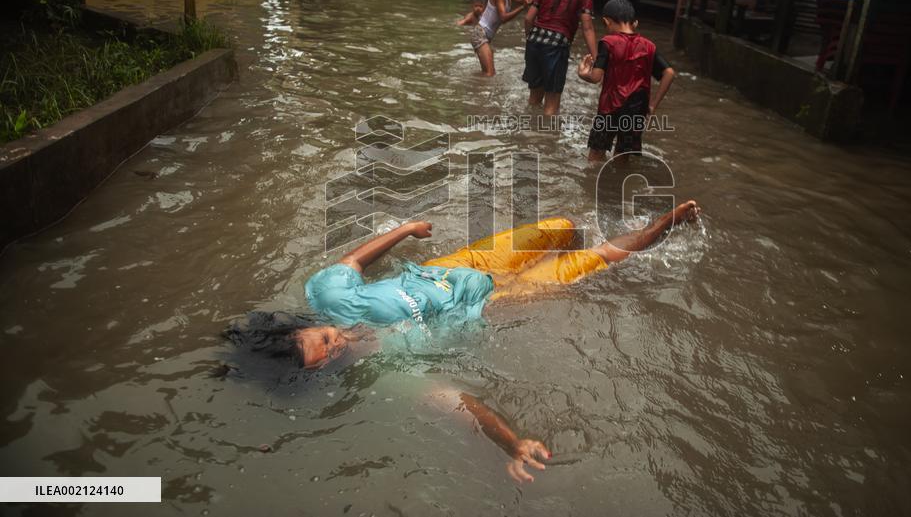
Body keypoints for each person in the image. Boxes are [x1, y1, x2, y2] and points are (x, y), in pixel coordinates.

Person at [226, 200, 701, 482]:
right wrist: (510, 443)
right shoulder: (388, 371)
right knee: (593, 260)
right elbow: (457, 403)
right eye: (324, 358)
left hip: (461, 265)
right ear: (319, 374)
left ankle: (588, 231)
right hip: (497, 299)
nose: (334, 346)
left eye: (323, 339)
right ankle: (662, 227)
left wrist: (406, 230)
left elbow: (354, 260)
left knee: (563, 227)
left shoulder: (328, 294)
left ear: (302, 327)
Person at [577, 0, 677, 162]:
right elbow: (669, 73)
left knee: (596, 154)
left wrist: (583, 73)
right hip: (637, 108)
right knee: (623, 156)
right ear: (635, 23)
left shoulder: (608, 42)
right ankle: (617, 185)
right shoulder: (649, 46)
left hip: (610, 107)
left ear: (606, 21)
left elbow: (596, 77)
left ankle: (594, 184)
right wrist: (652, 105)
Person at [522, 0, 599, 116]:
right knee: (552, 103)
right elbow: (587, 28)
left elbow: (528, 19)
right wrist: (597, 59)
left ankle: (525, 138)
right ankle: (545, 143)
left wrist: (532, 39)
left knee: (534, 98)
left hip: (534, 42)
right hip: (556, 47)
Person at [470, 0, 533, 77]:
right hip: (480, 34)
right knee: (490, 73)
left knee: (488, 73)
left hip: (485, 36)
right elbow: (503, 17)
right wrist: (523, 7)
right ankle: (475, 89)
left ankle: (475, 86)